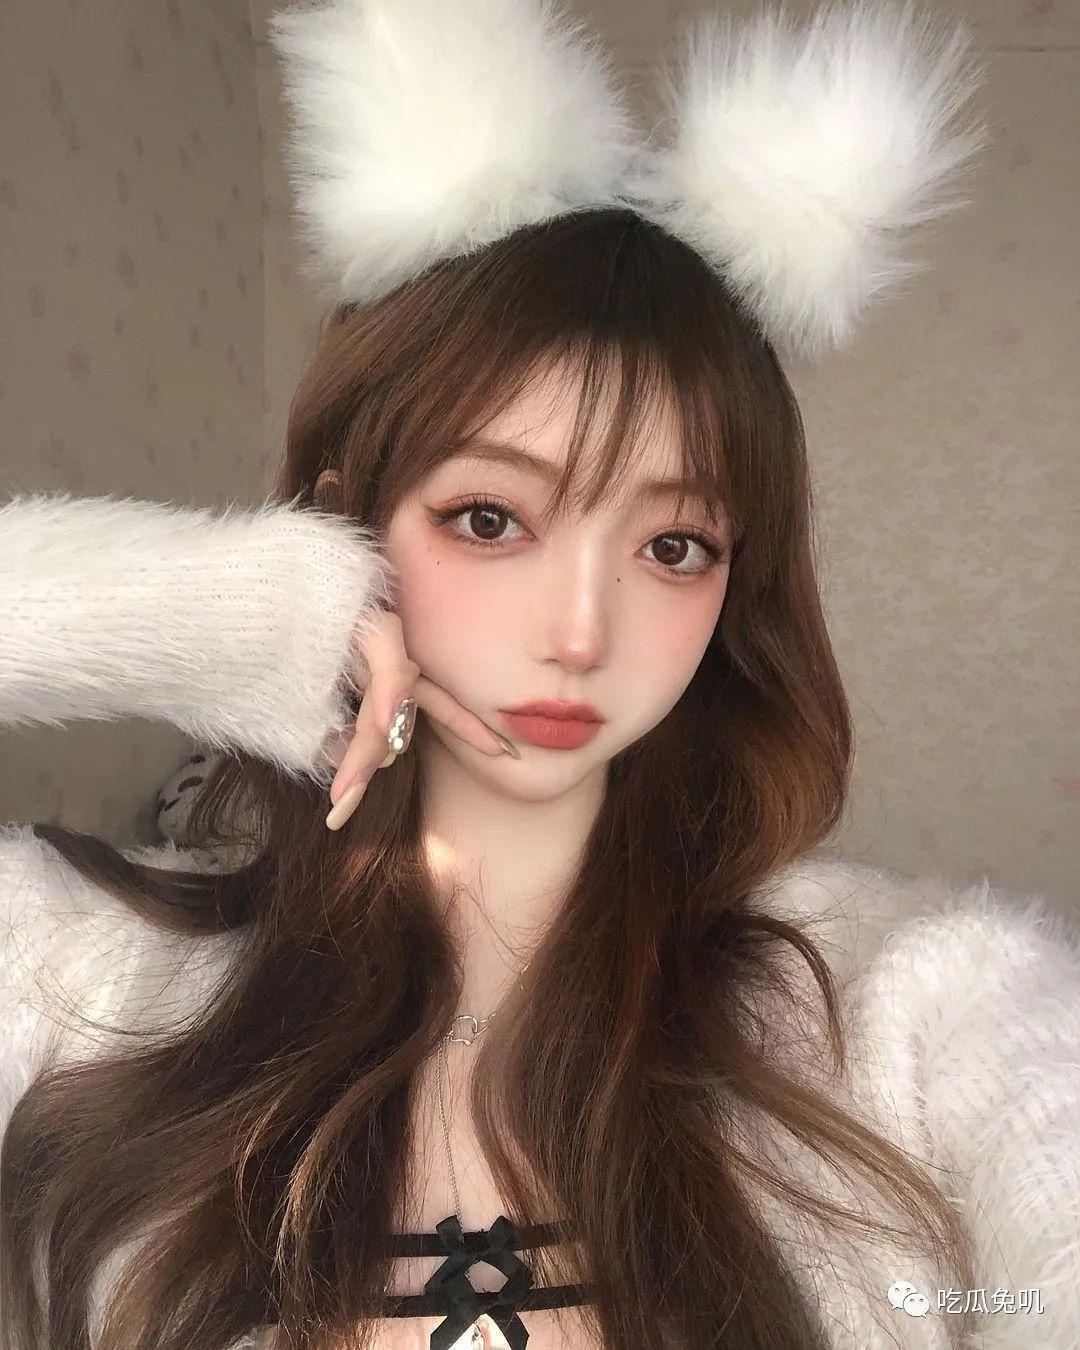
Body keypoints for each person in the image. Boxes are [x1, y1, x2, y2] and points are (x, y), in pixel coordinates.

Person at [2, 3, 1078, 1349]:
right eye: (490, 518)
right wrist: (228, 614)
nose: (582, 631)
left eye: (673, 546)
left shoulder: (924, 1002)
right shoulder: (72, 969)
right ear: (344, 525)